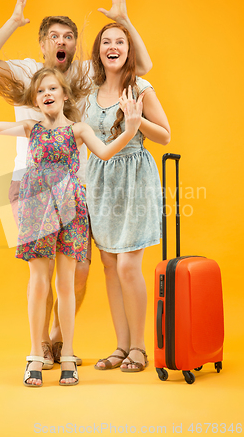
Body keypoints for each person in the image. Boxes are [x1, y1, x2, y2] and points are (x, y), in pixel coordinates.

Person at [0, 0, 153, 367]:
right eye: (54, 36)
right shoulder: (26, 71)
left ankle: (56, 337)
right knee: (43, 270)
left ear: (74, 45)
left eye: (68, 36)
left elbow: (140, 65)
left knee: (80, 270)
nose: (63, 41)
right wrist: (13, 21)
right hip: (31, 183)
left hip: (77, 185)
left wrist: (123, 20)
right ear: (42, 43)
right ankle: (40, 350)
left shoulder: (86, 75)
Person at [0, 66, 144, 387]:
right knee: (39, 283)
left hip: (70, 208)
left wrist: (130, 129)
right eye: (41, 92)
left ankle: (68, 354)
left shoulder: (79, 129)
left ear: (65, 95)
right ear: (36, 100)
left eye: (53, 89)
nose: (47, 95)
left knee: (66, 285)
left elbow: (106, 153)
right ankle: (35, 357)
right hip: (36, 207)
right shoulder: (30, 127)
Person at [85, 23, 171, 372]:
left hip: (135, 178)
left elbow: (165, 135)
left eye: (120, 41)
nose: (113, 46)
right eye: (106, 41)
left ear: (128, 48)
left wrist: (137, 124)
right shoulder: (88, 92)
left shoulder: (141, 87)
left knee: (127, 265)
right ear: (99, 51)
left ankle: (139, 348)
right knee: (108, 265)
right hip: (101, 181)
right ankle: (121, 347)